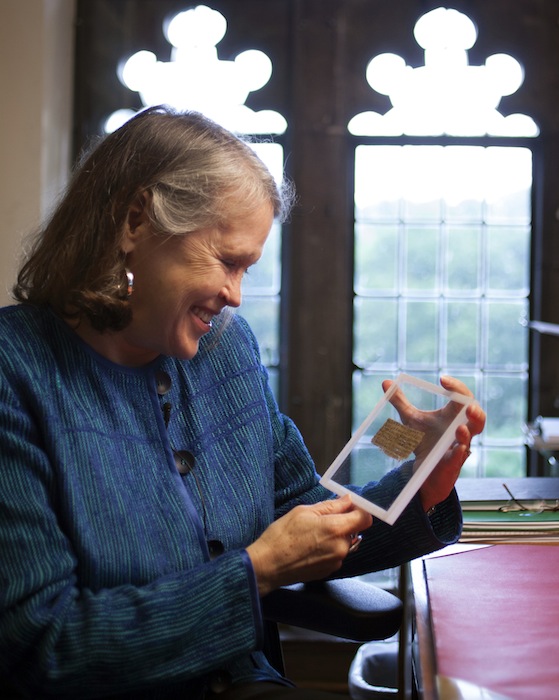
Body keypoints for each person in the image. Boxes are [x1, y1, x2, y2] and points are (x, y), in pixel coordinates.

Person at [0, 105, 485, 700]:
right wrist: (254, 572)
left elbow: (300, 513)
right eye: (227, 262)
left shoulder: (225, 352)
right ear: (135, 223)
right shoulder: (14, 371)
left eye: (247, 269)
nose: (234, 296)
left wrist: (421, 473)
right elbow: (38, 648)